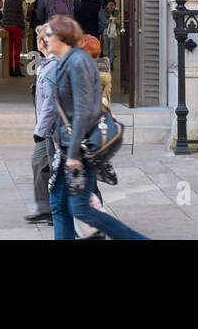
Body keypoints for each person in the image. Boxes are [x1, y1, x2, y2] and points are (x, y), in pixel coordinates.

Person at [45, 15, 147, 240]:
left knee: (81, 209)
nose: (46, 39)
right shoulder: (66, 61)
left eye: (50, 34)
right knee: (59, 204)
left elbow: (83, 110)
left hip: (79, 148)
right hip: (66, 146)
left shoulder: (78, 61)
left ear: (63, 36)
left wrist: (72, 153)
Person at [25, 24, 57, 224]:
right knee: (39, 163)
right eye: (39, 39)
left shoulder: (54, 66)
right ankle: (46, 207)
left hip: (51, 130)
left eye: (46, 38)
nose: (42, 42)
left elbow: (50, 104)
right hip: (46, 128)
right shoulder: (46, 64)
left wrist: (40, 131)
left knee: (55, 169)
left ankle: (56, 210)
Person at [1, 0, 27, 78]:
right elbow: (24, 15)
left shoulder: (6, 1)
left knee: (9, 49)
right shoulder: (21, 2)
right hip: (16, 26)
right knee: (16, 49)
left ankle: (10, 69)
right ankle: (16, 70)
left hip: (7, 26)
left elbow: (4, 13)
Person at [102, 0, 119, 64]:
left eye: (112, 5)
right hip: (106, 32)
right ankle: (108, 62)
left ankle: (111, 63)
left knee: (111, 48)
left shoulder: (117, 12)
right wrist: (107, 22)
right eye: (109, 5)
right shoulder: (104, 12)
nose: (110, 7)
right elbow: (102, 23)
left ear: (115, 5)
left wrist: (116, 22)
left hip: (113, 32)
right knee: (108, 49)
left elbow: (120, 24)